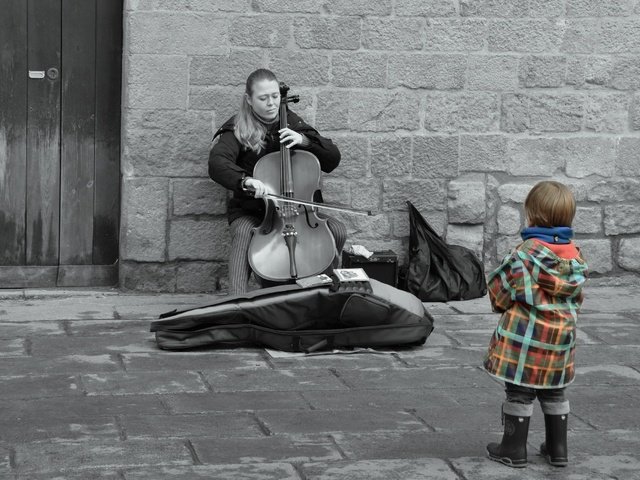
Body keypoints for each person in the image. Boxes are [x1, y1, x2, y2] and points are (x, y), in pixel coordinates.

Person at [208, 68, 347, 295]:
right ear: (249, 100)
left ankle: (323, 292)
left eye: (275, 96)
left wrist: (305, 141)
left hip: (302, 213)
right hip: (254, 211)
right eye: (263, 98)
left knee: (337, 231)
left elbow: (332, 159)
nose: (271, 103)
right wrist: (246, 181)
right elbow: (217, 162)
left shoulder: (292, 123)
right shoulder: (237, 128)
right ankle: (236, 302)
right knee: (244, 232)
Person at [483, 180, 588, 468]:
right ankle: (558, 449)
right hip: (560, 341)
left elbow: (499, 292)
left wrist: (503, 304)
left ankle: (513, 448)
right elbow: (577, 299)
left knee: (519, 391)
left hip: (525, 341)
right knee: (555, 391)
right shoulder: (576, 258)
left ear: (532, 215)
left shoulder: (523, 255)